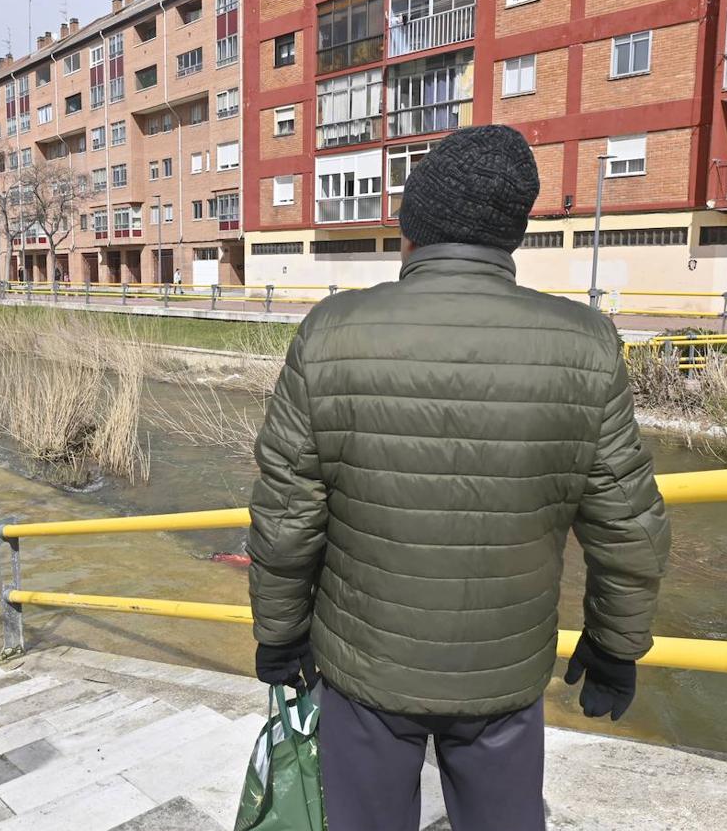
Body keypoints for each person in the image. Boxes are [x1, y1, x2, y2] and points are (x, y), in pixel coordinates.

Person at [247, 125, 670, 831]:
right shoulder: (585, 346)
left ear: (411, 228)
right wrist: (615, 646)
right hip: (503, 681)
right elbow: (629, 527)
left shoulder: (332, 332)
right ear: (512, 237)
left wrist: (280, 633)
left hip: (364, 675)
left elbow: (287, 516)